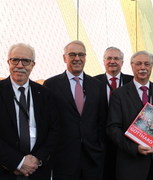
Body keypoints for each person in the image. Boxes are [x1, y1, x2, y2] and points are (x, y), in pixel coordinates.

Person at [0, 43, 59, 180]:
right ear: (8, 62)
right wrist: (18, 162)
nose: (20, 65)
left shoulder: (45, 94)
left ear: (33, 65)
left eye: (25, 61)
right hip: (1, 170)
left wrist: (36, 160)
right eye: (15, 60)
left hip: (37, 171)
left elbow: (54, 131)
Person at [107, 51, 153, 180]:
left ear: (152, 66)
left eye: (147, 64)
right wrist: (134, 148)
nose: (143, 67)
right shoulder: (119, 94)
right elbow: (113, 128)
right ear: (132, 66)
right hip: (131, 162)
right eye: (139, 64)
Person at [44, 40, 107, 180]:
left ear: (85, 58)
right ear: (64, 58)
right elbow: (47, 121)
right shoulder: (51, 85)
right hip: (63, 158)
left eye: (81, 55)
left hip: (93, 158)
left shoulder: (97, 85)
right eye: (72, 54)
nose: (77, 58)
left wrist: (100, 147)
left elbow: (102, 120)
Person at [94, 47, 133, 180]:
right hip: (101, 142)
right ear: (104, 61)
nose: (112, 61)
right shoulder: (93, 82)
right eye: (109, 58)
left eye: (116, 58)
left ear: (122, 62)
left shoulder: (133, 81)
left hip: (126, 140)